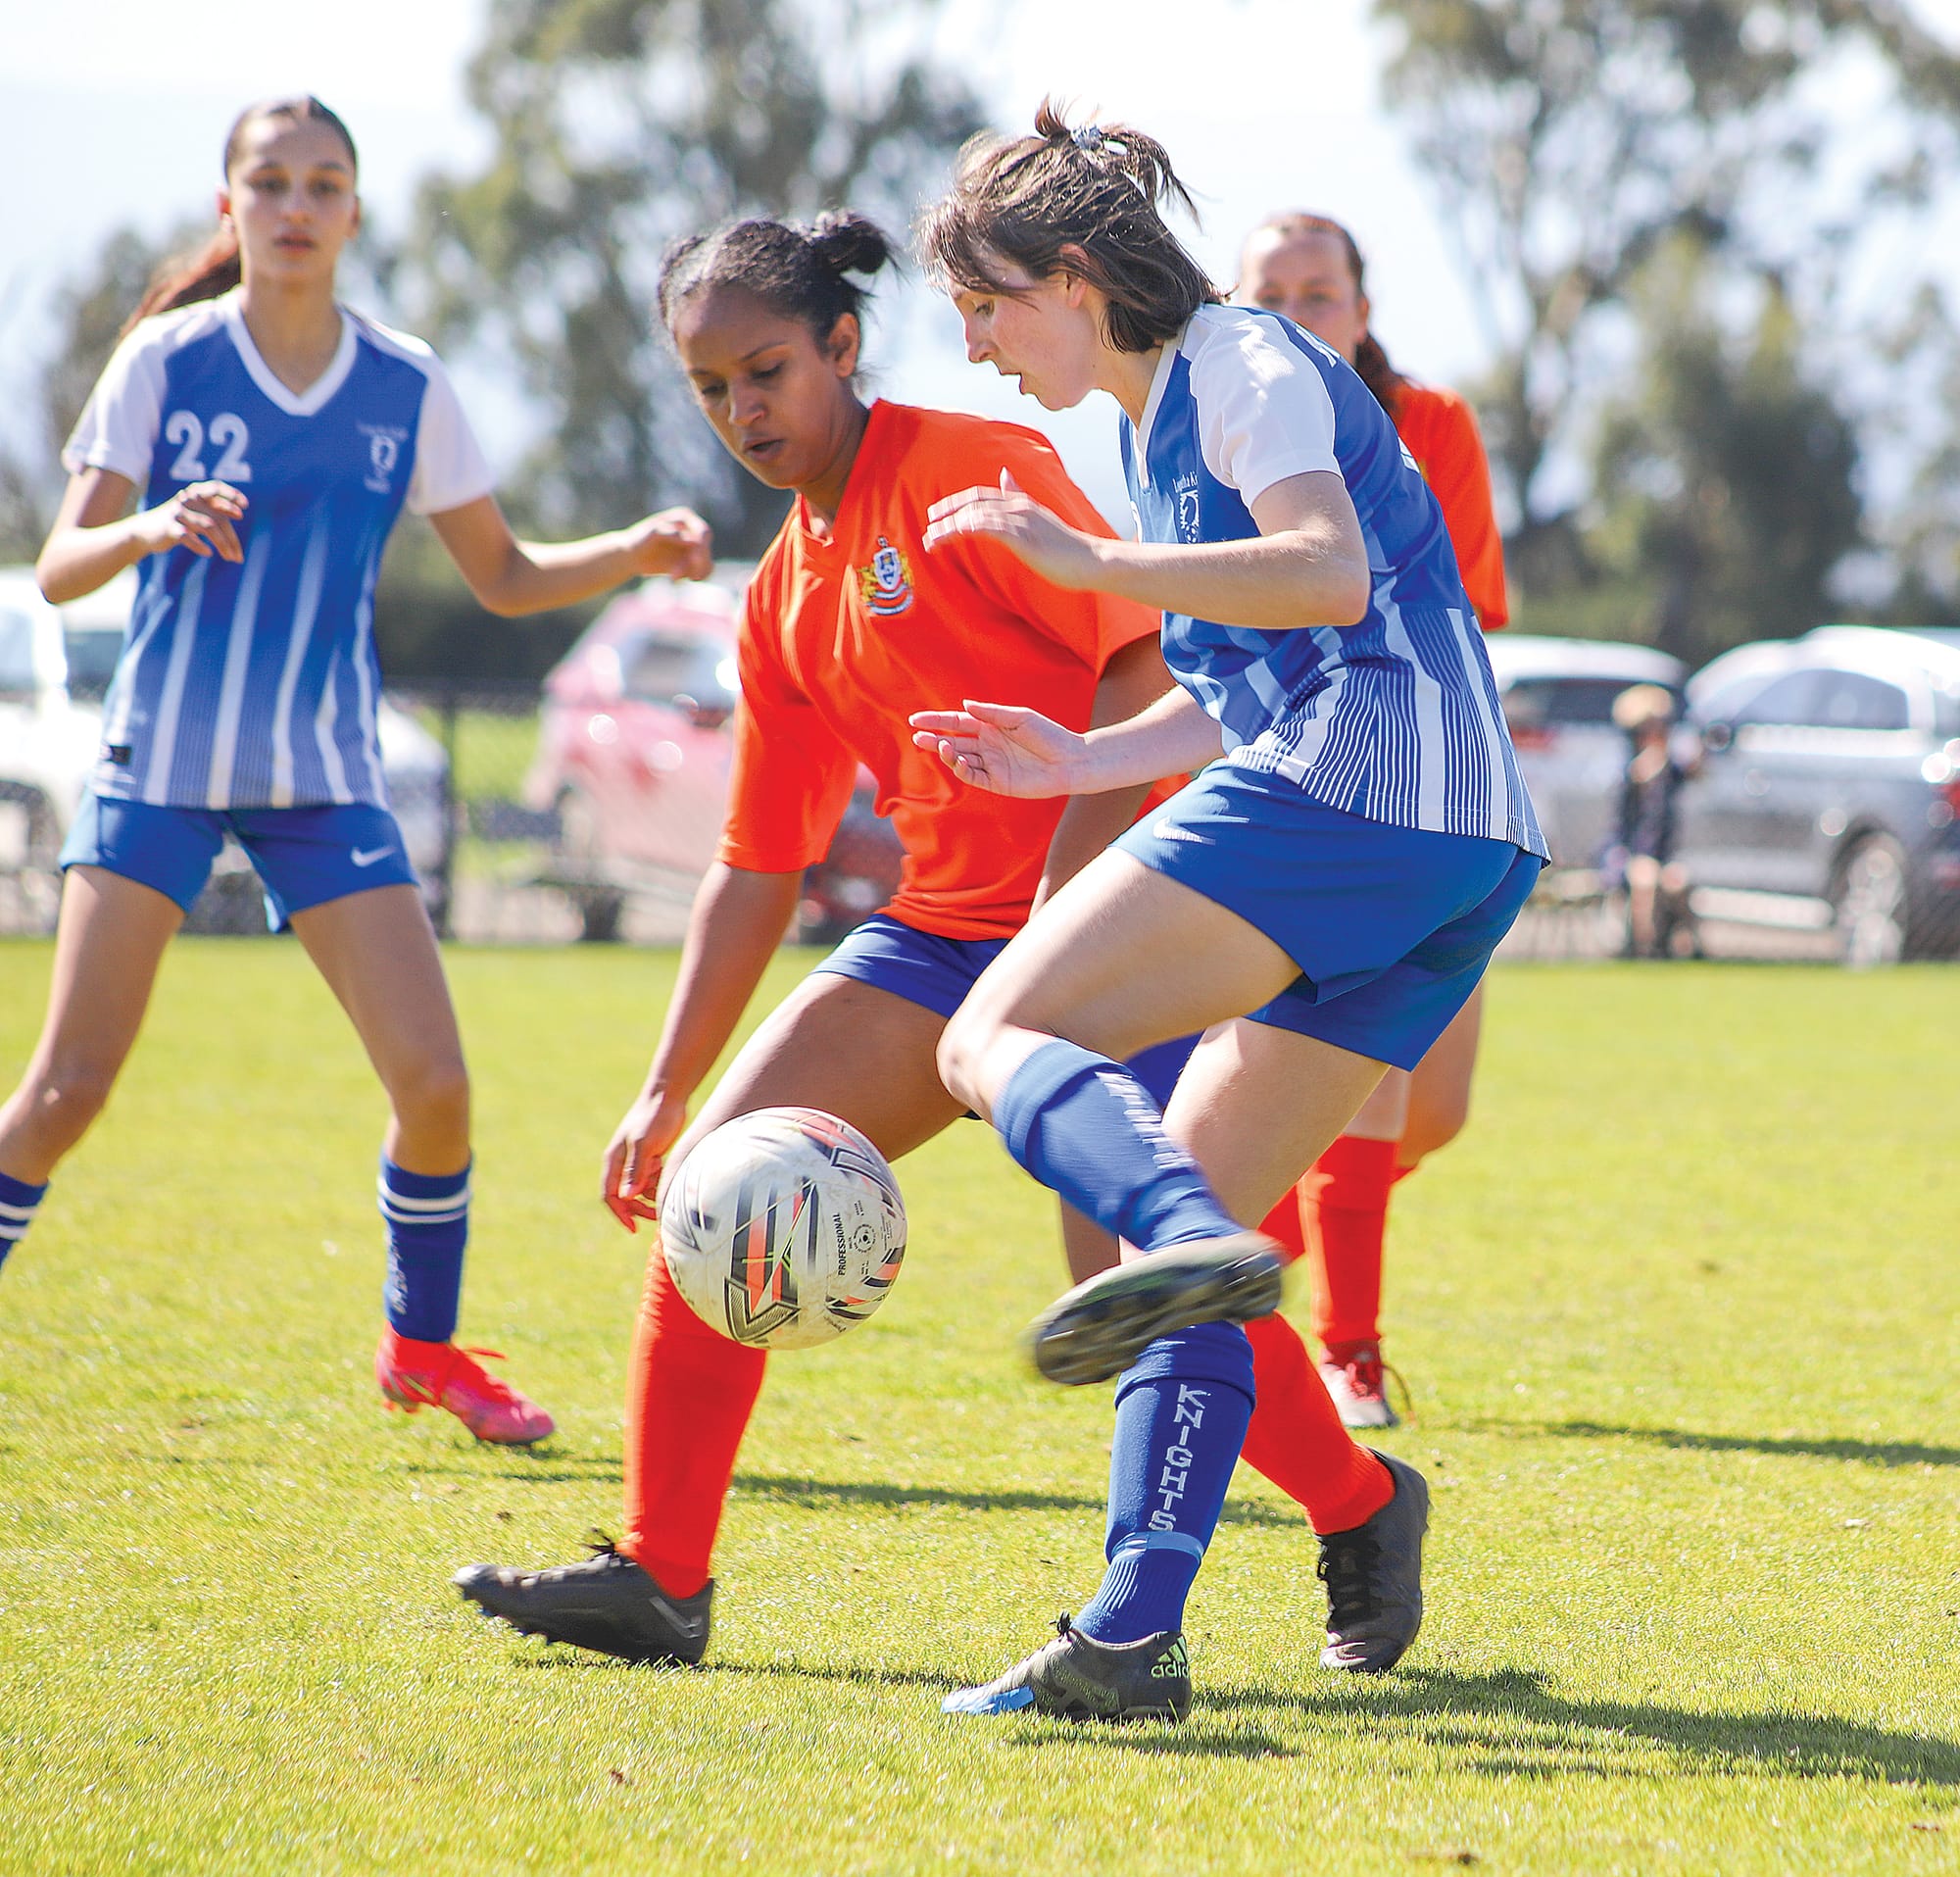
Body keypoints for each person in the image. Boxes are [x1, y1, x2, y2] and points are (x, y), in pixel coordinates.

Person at [453, 213, 1419, 1680]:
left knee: (1146, 1270)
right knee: (719, 1177)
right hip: (936, 942)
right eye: (711, 388)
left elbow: (1147, 655)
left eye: (767, 370)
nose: (743, 410)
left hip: (1125, 918)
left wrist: (1067, 915)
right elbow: (755, 864)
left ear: (842, 346)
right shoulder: (781, 594)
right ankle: (660, 1575)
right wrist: (662, 1086)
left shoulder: (971, 470)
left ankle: (1357, 1503)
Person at [906, 103, 1547, 1720]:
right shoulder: (1155, 426)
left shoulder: (1241, 358)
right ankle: (1142, 1632)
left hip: (1367, 789)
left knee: (993, 1034)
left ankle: (1197, 1241)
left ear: (1071, 278)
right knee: (1167, 1242)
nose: (975, 346)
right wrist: (1083, 756)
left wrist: (1089, 561)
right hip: (1455, 842)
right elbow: (1246, 681)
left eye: (984, 306)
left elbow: (1325, 574)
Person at [0, 96, 711, 1445]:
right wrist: (149, 525)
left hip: (324, 779)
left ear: (355, 214)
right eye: (270, 181)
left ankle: (420, 1350)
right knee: (66, 1090)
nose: (296, 205)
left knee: (435, 1087)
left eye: (323, 183)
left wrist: (631, 549)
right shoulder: (166, 361)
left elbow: (502, 574)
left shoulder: (406, 381)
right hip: (161, 765)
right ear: (229, 206)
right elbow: (57, 565)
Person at [1237, 211, 1512, 1428]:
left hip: (1439, 770)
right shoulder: (1218, 429)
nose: (1298, 316)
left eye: (1320, 293)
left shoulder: (1429, 425)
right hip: (1291, 782)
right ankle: (1345, 1352)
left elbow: (1459, 611)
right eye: (1269, 295)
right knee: (1372, 1084)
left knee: (1428, 1112)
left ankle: (1238, 1255)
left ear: (1361, 308)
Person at [1610, 683, 1698, 959]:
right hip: (1628, 852)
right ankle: (1641, 948)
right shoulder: (1629, 768)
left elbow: (1695, 771)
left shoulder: (1670, 768)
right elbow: (1623, 823)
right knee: (1645, 880)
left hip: (1664, 855)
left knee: (1678, 882)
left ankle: (1686, 945)